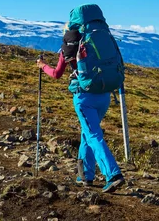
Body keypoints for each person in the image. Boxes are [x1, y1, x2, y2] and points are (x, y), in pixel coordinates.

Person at [37, 27, 125, 193]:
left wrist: (42, 66)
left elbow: (56, 74)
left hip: (84, 98)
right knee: (88, 133)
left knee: (92, 135)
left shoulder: (68, 48)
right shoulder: (96, 44)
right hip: (104, 95)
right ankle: (85, 176)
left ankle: (113, 174)